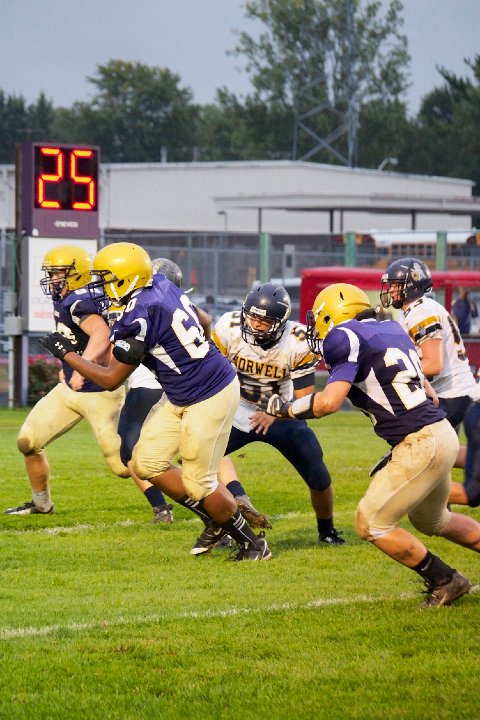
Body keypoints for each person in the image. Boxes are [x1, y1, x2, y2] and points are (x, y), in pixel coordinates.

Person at [39, 242, 271, 561]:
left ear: (128, 279)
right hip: (181, 393)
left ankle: (251, 542)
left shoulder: (139, 316)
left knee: (199, 484)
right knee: (145, 464)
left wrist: (67, 354)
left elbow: (110, 379)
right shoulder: (160, 282)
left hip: (210, 394)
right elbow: (203, 319)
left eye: (106, 280)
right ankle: (213, 519)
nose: (100, 288)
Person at [263, 282, 480, 607]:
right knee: (433, 520)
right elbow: (431, 395)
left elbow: (329, 403)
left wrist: (286, 408)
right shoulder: (393, 330)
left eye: (319, 320)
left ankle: (445, 579)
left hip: (420, 441)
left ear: (332, 316)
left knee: (371, 523)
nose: (316, 330)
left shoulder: (344, 336)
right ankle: (446, 579)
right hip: (441, 433)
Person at [190, 282, 344, 555]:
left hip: (281, 413)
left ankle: (327, 530)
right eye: (253, 317)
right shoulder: (229, 327)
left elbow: (305, 398)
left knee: (318, 474)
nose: (256, 325)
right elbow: (213, 373)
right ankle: (231, 510)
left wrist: (276, 412)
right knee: (199, 457)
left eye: (264, 321)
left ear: (281, 323)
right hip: (237, 408)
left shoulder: (297, 341)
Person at [5, 244, 129, 516]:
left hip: (99, 391)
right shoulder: (67, 298)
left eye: (58, 273)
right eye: (51, 274)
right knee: (28, 441)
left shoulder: (79, 300)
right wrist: (68, 369)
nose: (52, 279)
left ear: (77, 273)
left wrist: (81, 367)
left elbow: (101, 334)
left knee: (124, 465)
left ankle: (170, 500)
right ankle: (41, 504)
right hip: (70, 390)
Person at [380, 257, 480, 506]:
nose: (391, 290)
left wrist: (395, 374)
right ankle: (441, 506)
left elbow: (433, 365)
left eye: (395, 285)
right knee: (441, 454)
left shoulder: (421, 311)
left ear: (412, 285)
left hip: (452, 394)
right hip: (450, 393)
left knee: (424, 458)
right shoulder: (414, 311)